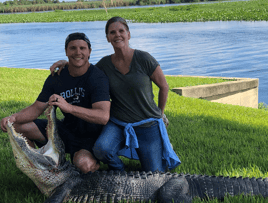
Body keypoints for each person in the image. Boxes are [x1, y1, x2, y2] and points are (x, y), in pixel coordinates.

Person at [50, 17, 181, 172]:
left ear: (128, 34)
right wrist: (68, 63)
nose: (117, 35)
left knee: (155, 173)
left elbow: (164, 87)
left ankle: (158, 147)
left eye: (121, 31)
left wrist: (160, 114)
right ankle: (118, 170)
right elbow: (85, 69)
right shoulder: (105, 65)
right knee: (101, 149)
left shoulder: (144, 58)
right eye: (112, 32)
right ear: (108, 38)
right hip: (118, 123)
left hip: (147, 123)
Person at [1, 32, 111, 174]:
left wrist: (70, 108)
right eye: (72, 48)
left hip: (90, 137)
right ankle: (41, 169)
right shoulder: (57, 77)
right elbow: (36, 108)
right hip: (64, 131)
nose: (78, 52)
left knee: (84, 165)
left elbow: (102, 116)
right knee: (16, 126)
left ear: (89, 52)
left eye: (82, 48)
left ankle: (88, 163)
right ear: (66, 51)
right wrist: (12, 118)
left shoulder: (97, 77)